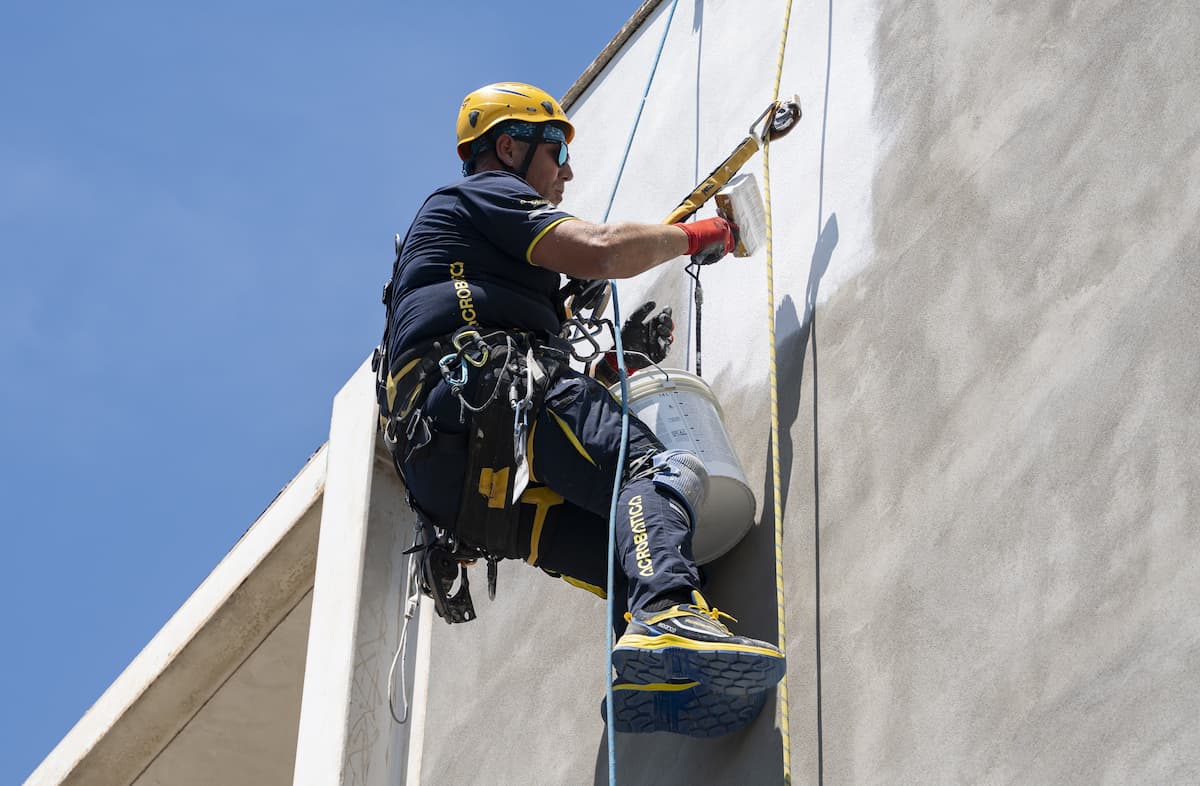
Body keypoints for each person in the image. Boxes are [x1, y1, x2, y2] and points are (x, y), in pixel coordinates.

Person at [376, 82, 784, 737]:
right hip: (491, 396)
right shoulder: (487, 194)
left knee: (652, 557)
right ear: (508, 147)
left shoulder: (480, 262)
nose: (566, 170)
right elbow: (601, 250)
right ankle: (663, 626)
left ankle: (669, 670)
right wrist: (706, 234)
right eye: (557, 148)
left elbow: (555, 410)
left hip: (463, 488)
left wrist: (607, 366)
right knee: (654, 472)